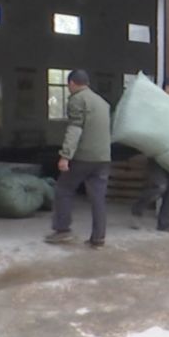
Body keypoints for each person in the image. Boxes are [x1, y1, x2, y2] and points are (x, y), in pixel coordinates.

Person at [47, 70, 112, 248]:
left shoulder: (77, 99)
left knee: (63, 189)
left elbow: (75, 129)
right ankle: (98, 238)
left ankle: (62, 231)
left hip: (83, 156)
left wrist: (65, 156)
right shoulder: (102, 102)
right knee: (98, 198)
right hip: (103, 157)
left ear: (72, 83)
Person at [132, 77, 169, 232]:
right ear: (168, 88)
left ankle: (164, 224)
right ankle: (137, 210)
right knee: (159, 186)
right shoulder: (155, 106)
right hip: (157, 153)